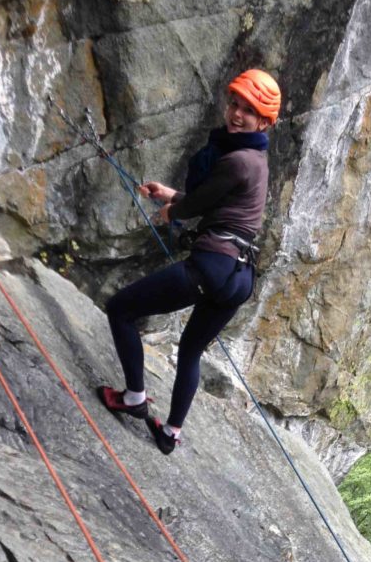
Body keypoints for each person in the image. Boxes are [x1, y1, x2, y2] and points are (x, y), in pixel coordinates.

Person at [97, 68, 281, 455]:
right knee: (191, 351)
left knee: (120, 310)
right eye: (234, 104)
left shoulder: (237, 161)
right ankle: (172, 432)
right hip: (239, 276)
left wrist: (172, 210)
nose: (236, 114)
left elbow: (197, 205)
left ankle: (134, 397)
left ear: (264, 121)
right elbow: (216, 199)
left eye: (248, 111)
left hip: (213, 266)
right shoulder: (256, 160)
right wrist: (171, 195)